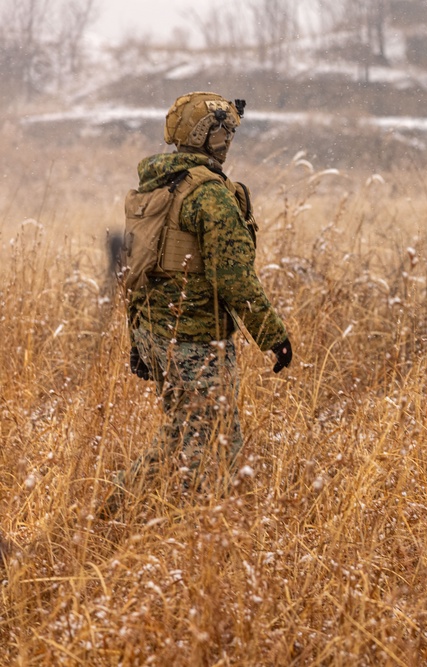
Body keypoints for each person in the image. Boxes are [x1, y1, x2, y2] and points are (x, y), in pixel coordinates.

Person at [115, 92, 292, 507]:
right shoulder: (209, 195)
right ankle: (191, 530)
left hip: (156, 335)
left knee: (187, 433)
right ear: (209, 138)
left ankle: (114, 511)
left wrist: (139, 343)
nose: (228, 141)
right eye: (224, 132)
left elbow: (136, 275)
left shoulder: (155, 188)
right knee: (211, 446)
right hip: (196, 342)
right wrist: (273, 336)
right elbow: (233, 279)